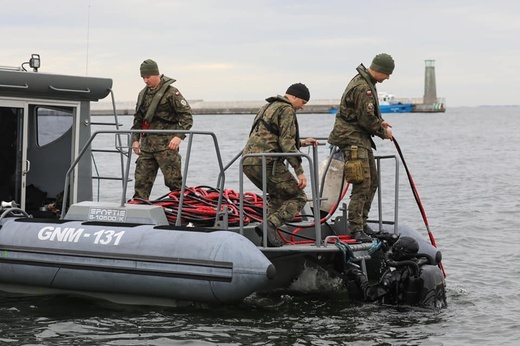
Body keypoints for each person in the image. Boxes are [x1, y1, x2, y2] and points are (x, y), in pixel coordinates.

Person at [328, 53, 395, 243]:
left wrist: (380, 122)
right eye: (387, 74)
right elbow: (366, 120)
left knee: (372, 181)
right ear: (380, 70)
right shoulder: (363, 87)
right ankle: (355, 228)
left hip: (360, 140)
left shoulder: (366, 83)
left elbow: (365, 115)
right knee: (362, 183)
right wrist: (384, 133)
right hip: (352, 140)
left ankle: (362, 223)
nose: (388, 78)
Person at [242, 83, 318, 247]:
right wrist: (299, 171)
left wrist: (302, 143)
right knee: (299, 197)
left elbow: (269, 135)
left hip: (248, 161)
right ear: (294, 97)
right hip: (267, 162)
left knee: (278, 196)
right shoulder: (287, 109)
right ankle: (269, 225)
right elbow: (286, 142)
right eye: (303, 102)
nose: (303, 107)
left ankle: (268, 237)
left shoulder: (268, 106)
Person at [131, 59, 193, 200]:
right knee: (141, 183)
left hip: (167, 146)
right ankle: (139, 208)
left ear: (156, 74)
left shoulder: (172, 93)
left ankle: (183, 210)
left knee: (174, 183)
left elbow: (187, 117)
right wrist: (135, 140)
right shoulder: (143, 95)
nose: (145, 80)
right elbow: (138, 120)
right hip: (147, 147)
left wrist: (179, 136)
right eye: (143, 78)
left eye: (148, 77)